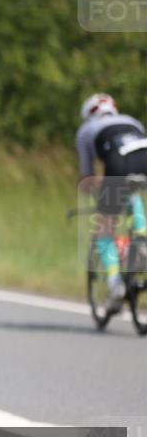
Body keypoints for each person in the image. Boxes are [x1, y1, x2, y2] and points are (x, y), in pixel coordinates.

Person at [76, 93, 147, 312]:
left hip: (118, 164)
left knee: (103, 230)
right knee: (132, 189)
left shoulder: (85, 131)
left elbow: (86, 176)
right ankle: (141, 238)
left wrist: (99, 198)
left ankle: (115, 285)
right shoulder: (133, 121)